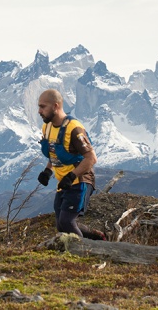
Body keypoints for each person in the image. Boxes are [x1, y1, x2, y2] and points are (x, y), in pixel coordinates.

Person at [37, 89, 106, 240]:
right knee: (61, 225)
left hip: (80, 180)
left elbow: (91, 158)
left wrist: (72, 176)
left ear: (55, 106)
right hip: (64, 182)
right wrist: (47, 171)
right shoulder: (47, 128)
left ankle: (85, 254)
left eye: (43, 107)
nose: (39, 111)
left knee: (66, 221)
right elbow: (54, 152)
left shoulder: (74, 129)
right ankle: (98, 238)